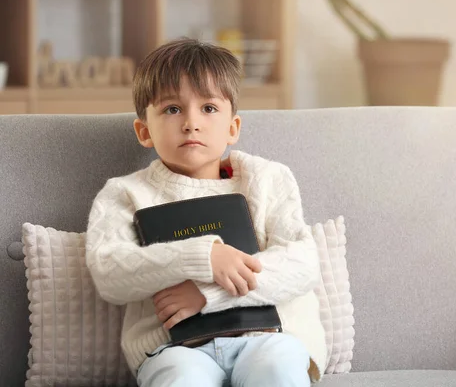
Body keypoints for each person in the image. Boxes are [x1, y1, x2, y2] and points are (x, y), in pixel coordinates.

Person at [85, 37, 326, 387]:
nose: (191, 123)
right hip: (174, 350)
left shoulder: (267, 179)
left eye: (209, 108)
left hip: (267, 339)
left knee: (278, 369)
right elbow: (109, 272)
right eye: (172, 109)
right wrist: (204, 257)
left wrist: (207, 294)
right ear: (144, 131)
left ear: (233, 127)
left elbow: (303, 265)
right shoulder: (125, 194)